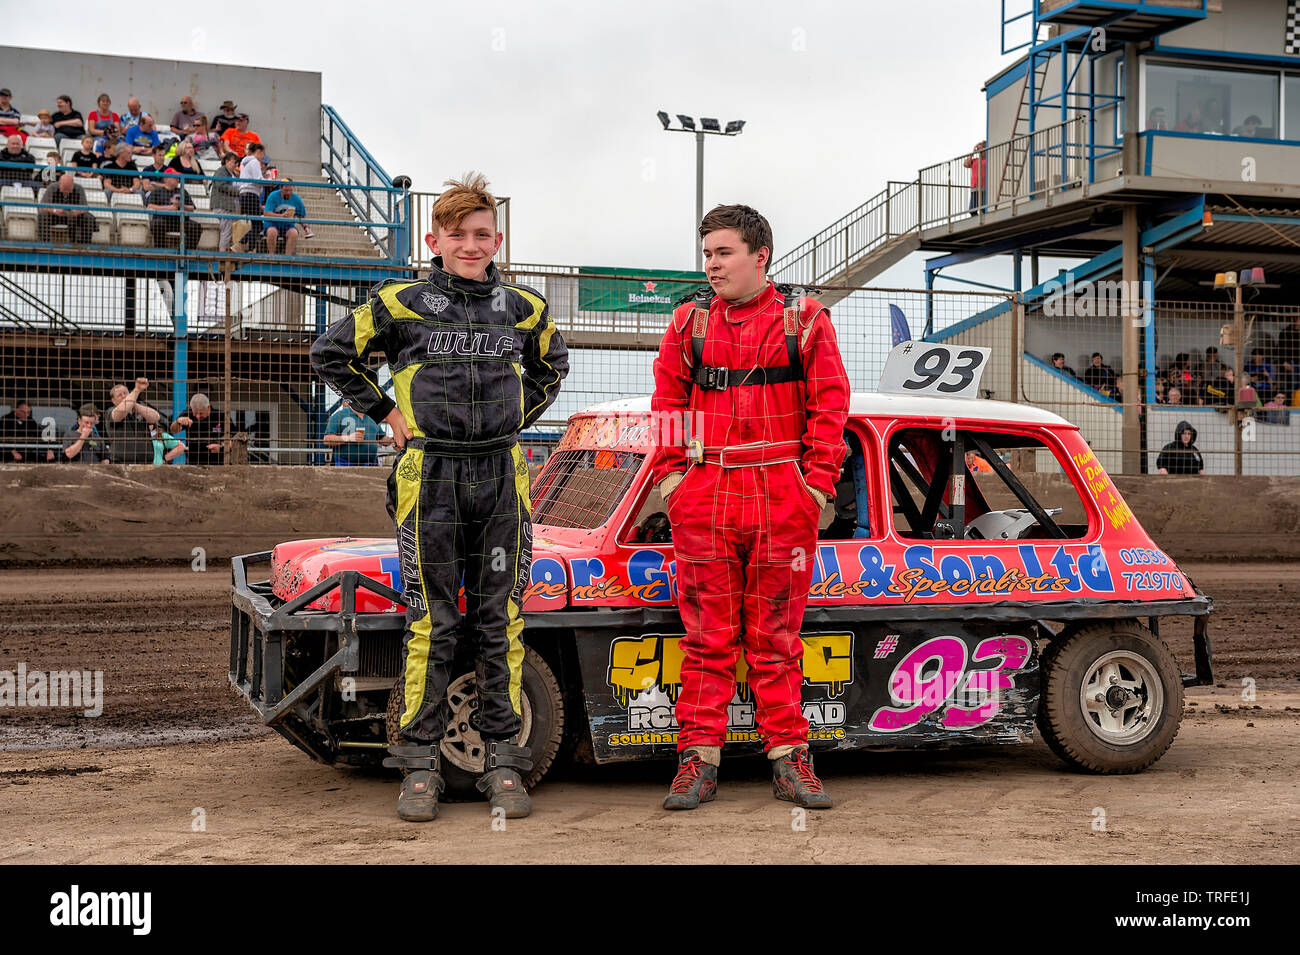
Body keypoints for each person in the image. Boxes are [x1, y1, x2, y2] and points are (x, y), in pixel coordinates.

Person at [310, 172, 569, 823]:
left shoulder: (525, 308)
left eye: (482, 234)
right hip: (428, 475)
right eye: (459, 234)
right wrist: (383, 413)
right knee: (432, 621)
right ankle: (420, 762)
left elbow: (552, 365)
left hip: (503, 475)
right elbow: (331, 352)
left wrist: (512, 416)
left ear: (497, 239)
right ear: (436, 238)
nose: (471, 244)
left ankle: (504, 760)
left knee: (500, 619)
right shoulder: (401, 302)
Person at [651, 203, 850, 811]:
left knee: (778, 637)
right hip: (706, 495)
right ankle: (697, 763)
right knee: (706, 637)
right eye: (707, 254)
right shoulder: (688, 324)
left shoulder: (806, 321)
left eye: (723, 253)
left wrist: (813, 490)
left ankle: (791, 760)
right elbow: (666, 408)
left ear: (760, 255)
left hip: (781, 500)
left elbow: (831, 409)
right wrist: (673, 485)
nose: (711, 265)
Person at [105, 378, 164, 463]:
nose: (123, 396)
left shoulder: (139, 411)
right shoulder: (110, 411)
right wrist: (137, 390)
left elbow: (155, 417)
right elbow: (121, 411)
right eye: (119, 395)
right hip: (121, 463)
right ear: (113, 401)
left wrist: (133, 404)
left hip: (146, 462)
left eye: (125, 393)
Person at [323, 397, 391, 465]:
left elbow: (381, 437)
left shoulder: (373, 417)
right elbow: (327, 439)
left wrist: (392, 440)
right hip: (343, 464)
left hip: (370, 465)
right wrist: (348, 438)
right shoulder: (339, 415)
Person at [145, 170, 200, 249]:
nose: (177, 179)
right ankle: (161, 251)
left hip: (180, 221)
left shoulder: (182, 191)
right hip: (163, 220)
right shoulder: (157, 191)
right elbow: (150, 206)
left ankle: (187, 252)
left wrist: (181, 205)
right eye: (175, 177)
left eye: (178, 178)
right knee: (157, 224)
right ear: (166, 179)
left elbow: (192, 208)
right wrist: (168, 208)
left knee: (195, 226)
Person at [38, 173, 93, 243]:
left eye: (68, 190)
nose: (66, 193)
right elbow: (42, 207)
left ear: (73, 184)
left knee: (88, 217)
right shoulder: (52, 187)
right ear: (59, 183)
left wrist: (75, 212)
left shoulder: (79, 189)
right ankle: (44, 243)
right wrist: (55, 211)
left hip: (73, 217)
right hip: (55, 216)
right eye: (64, 190)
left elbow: (85, 208)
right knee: (42, 215)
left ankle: (84, 245)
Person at [234, 143, 268, 251]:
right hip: (250, 194)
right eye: (263, 154)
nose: (263, 157)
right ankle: (240, 245)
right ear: (258, 151)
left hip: (245, 194)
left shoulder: (246, 162)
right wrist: (270, 181)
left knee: (255, 224)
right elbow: (258, 179)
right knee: (258, 225)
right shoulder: (254, 162)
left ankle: (249, 248)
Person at [175, 393, 224, 464]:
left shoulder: (220, 416)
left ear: (208, 407)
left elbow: (233, 437)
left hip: (216, 462)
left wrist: (222, 447)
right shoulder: (187, 414)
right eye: (195, 413)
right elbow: (173, 430)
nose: (197, 416)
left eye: (201, 413)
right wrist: (178, 421)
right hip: (193, 462)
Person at [263, 179, 306, 254]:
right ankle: (271, 256)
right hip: (272, 224)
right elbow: (267, 213)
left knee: (294, 233)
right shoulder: (273, 196)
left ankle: (287, 257)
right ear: (281, 188)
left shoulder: (296, 199)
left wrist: (306, 228)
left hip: (288, 225)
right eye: (286, 190)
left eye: (290, 190)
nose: (288, 193)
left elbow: (302, 216)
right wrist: (281, 216)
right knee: (272, 232)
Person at [211, 152, 242, 251]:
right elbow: (222, 185)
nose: (236, 164)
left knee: (229, 231)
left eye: (237, 162)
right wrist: (239, 191)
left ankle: (226, 251)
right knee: (226, 230)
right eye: (234, 162)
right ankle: (222, 254)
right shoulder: (221, 171)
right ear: (227, 161)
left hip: (230, 207)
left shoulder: (233, 174)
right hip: (222, 206)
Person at [963, 140, 987, 215]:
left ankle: (984, 220)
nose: (979, 152)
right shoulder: (975, 160)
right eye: (978, 150)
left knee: (984, 209)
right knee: (972, 210)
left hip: (984, 187)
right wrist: (973, 152)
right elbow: (966, 164)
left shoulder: (988, 160)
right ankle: (977, 219)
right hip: (975, 187)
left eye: (981, 150)